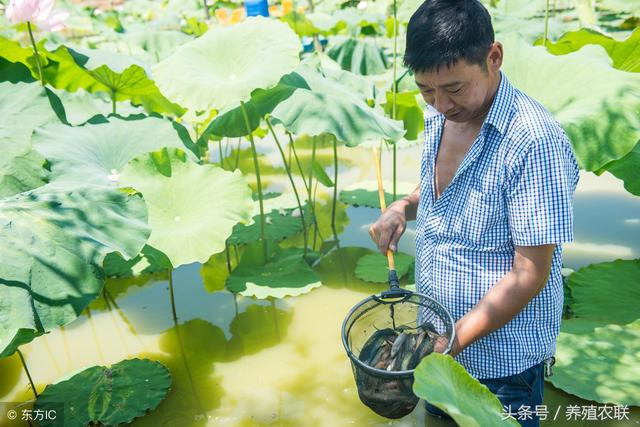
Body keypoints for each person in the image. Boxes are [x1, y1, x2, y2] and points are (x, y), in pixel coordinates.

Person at [367, 0, 580, 426]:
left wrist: (451, 341)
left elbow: (529, 274)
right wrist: (403, 207)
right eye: (427, 90)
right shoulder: (441, 114)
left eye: (454, 88)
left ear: (493, 57)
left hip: (500, 365)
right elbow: (443, 188)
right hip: (436, 346)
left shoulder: (533, 143)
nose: (440, 103)